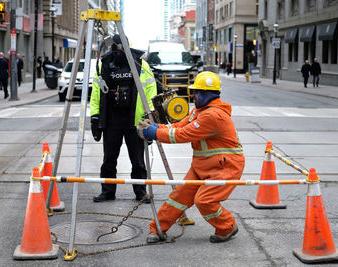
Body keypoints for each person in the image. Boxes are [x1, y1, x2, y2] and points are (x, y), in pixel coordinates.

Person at [137, 71, 245, 244]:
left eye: (197, 92)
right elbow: (178, 127)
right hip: (202, 166)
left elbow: (182, 135)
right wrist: (158, 127)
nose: (193, 95)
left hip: (224, 168)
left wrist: (155, 133)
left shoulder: (212, 115)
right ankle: (157, 229)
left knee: (204, 201)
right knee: (178, 197)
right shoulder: (199, 111)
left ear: (208, 94)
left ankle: (227, 226)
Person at [90, 34, 157, 203]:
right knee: (109, 159)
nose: (118, 54)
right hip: (112, 120)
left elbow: (150, 92)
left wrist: (150, 119)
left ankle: (141, 191)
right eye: (115, 51)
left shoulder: (141, 65)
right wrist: (95, 117)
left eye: (121, 51)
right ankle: (107, 191)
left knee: (138, 160)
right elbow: (96, 92)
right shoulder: (104, 64)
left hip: (135, 120)